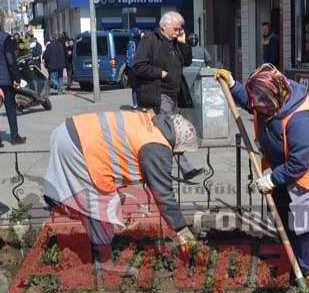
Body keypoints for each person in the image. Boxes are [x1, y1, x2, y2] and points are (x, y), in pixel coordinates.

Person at [43, 109, 199, 282]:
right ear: (178, 142)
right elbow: (164, 196)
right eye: (180, 152)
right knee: (101, 204)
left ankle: (67, 208)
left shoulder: (154, 124)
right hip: (79, 143)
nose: (179, 156)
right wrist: (183, 232)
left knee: (103, 201)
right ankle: (104, 263)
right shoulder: (157, 147)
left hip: (72, 131)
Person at [214, 64, 309, 273]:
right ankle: (293, 262)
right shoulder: (270, 100)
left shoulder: (302, 118)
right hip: (285, 172)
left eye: (260, 103)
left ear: (275, 98)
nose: (255, 106)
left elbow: (299, 163)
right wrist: (234, 86)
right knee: (287, 220)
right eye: (254, 101)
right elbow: (250, 102)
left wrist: (272, 179)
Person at [132, 11, 193, 114]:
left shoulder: (176, 42)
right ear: (164, 27)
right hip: (158, 95)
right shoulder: (150, 39)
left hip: (176, 95)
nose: (178, 32)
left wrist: (183, 44)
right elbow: (138, 66)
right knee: (166, 122)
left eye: (180, 29)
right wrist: (160, 73)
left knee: (173, 121)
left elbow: (187, 62)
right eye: (175, 29)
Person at [0, 12, 26, 147]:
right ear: (0, 23)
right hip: (5, 80)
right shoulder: (6, 38)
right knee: (10, 109)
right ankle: (14, 137)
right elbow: (10, 60)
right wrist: (16, 78)